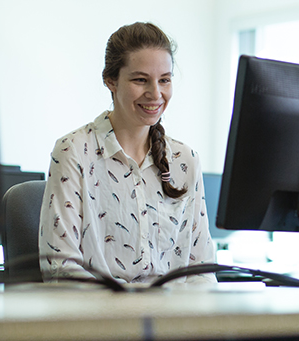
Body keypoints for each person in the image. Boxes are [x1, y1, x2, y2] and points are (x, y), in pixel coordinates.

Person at [39, 22, 216, 284]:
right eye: (140, 79)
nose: (156, 94)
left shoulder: (184, 160)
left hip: (172, 320)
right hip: (102, 319)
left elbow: (201, 268)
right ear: (110, 80)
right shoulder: (74, 151)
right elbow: (59, 266)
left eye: (164, 80)